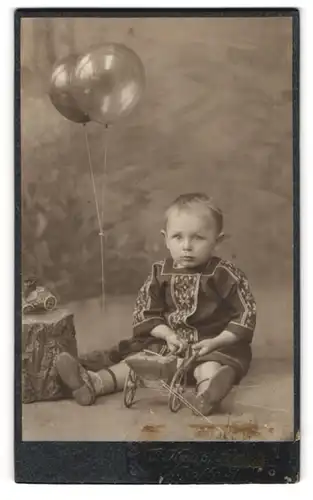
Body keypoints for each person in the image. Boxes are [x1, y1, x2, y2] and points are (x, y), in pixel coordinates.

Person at [55, 193, 256, 415]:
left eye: (198, 238)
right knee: (136, 363)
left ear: (217, 240)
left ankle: (208, 394)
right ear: (165, 238)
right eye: (178, 237)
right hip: (168, 345)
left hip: (210, 347)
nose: (187, 246)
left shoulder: (224, 274)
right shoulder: (159, 273)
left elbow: (245, 313)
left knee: (208, 367)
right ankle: (93, 383)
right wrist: (168, 335)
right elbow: (146, 312)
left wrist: (217, 341)